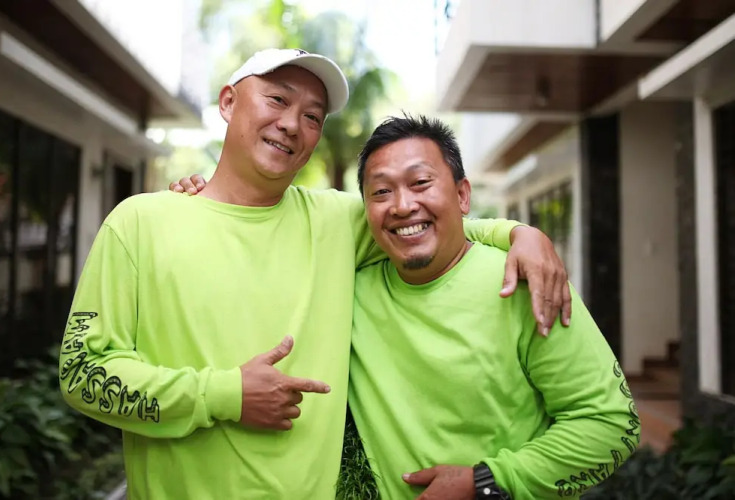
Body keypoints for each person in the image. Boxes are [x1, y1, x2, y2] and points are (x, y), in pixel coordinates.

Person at [59, 48, 570, 499]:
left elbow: (426, 223)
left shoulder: (336, 221)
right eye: (277, 99)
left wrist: (520, 233)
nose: (291, 124)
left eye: (312, 116)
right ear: (228, 102)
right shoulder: (140, 223)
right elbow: (82, 373)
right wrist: (225, 395)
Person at [345, 114, 639, 499]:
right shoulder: (350, 293)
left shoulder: (527, 281)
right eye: (381, 191)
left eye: (421, 183)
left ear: (462, 195)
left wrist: (485, 482)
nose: (402, 205)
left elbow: (611, 424)